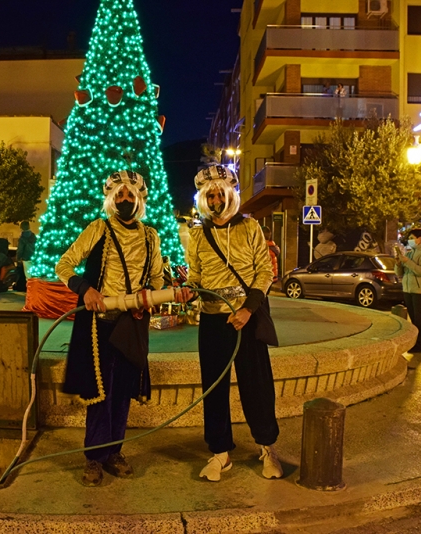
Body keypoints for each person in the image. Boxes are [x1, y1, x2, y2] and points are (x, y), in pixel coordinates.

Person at [56, 170, 190, 487]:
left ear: (139, 198)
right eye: (120, 195)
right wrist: (85, 289)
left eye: (130, 195)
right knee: (100, 394)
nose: (125, 200)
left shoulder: (150, 236)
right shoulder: (98, 228)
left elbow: (157, 279)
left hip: (132, 324)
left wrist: (152, 299)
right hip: (99, 326)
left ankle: (114, 452)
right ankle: (93, 458)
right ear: (112, 199)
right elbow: (64, 264)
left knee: (123, 393)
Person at [187, 165, 283, 482]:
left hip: (247, 318)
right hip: (214, 320)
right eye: (210, 194)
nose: (215, 199)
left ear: (230, 195)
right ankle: (220, 453)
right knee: (214, 388)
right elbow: (196, 275)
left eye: (220, 193)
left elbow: (264, 272)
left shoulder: (251, 228)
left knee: (257, 385)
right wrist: (189, 290)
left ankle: (267, 447)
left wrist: (248, 309)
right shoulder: (198, 234)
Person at [395, 228, 421, 353]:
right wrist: (398, 263)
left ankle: (420, 345)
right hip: (408, 289)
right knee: (413, 319)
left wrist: (408, 262)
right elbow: (399, 273)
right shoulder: (409, 253)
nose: (410, 240)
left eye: (412, 238)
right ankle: (414, 343)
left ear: (419, 238)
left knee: (420, 320)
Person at [13, 221, 36, 292]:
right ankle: (34, 289)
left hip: (26, 258)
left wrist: (18, 258)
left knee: (28, 276)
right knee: (34, 275)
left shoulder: (22, 238)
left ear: (21, 228)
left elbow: (20, 249)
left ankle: (30, 290)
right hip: (34, 257)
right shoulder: (34, 236)